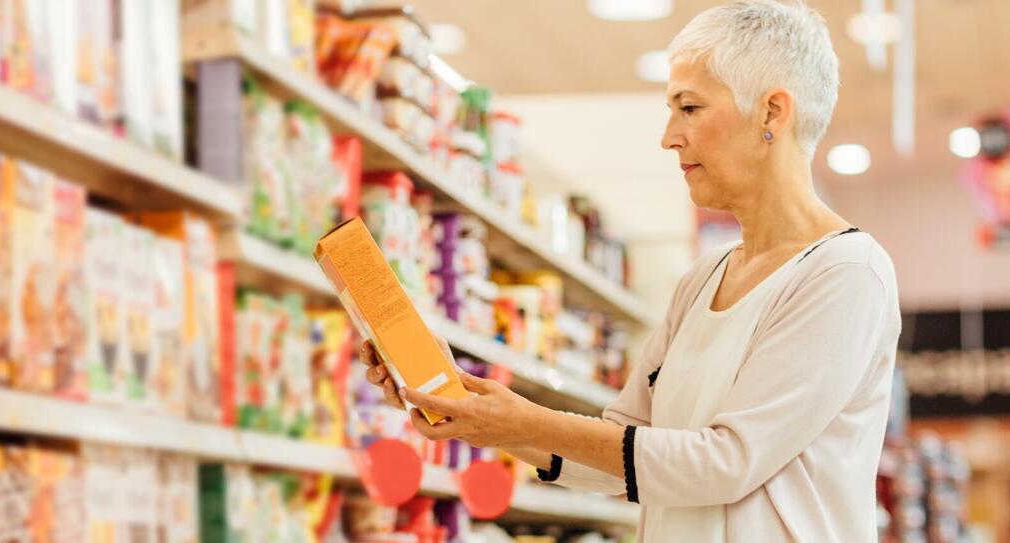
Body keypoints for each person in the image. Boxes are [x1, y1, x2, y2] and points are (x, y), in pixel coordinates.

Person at [360, 1, 901, 541]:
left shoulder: (846, 273)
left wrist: (523, 421)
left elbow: (728, 462)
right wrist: (473, 412)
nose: (669, 136)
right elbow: (625, 453)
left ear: (772, 113)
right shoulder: (702, 280)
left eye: (689, 108)